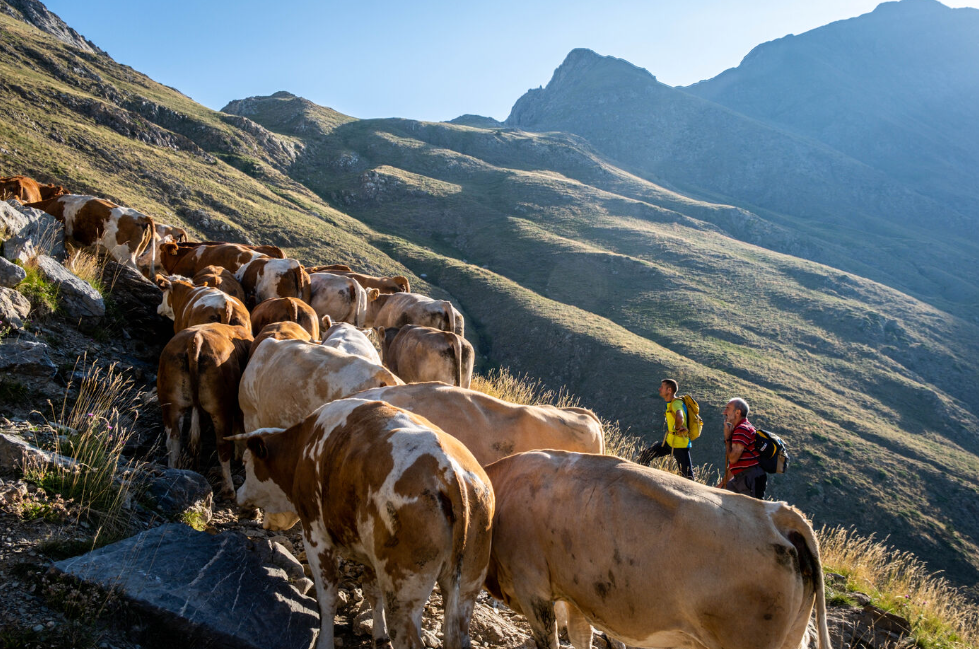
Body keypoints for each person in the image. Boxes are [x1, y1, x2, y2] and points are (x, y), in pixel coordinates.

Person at [637, 379, 694, 479]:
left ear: (669, 390)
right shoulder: (671, 403)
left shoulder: (676, 403)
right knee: (645, 456)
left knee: (688, 477)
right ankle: (646, 479)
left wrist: (676, 427)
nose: (659, 389)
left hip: (680, 444)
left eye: (662, 387)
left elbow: (680, 417)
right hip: (669, 442)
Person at [718, 397, 766, 498]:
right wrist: (722, 485)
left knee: (750, 512)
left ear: (737, 412)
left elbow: (733, 459)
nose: (724, 412)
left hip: (749, 479)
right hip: (743, 478)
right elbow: (734, 465)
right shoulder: (741, 428)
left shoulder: (742, 429)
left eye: (728, 408)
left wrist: (727, 438)